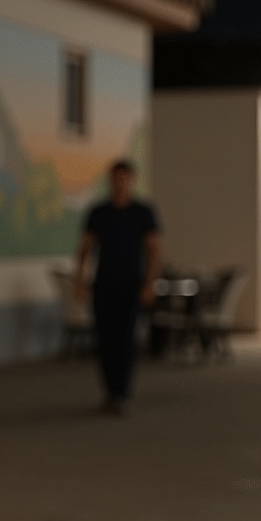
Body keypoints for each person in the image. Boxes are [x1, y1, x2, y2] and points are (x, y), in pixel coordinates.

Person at [74, 159, 160, 416]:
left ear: (131, 181)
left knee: (126, 339)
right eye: (115, 179)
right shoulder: (99, 213)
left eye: (124, 178)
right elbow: (85, 249)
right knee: (105, 339)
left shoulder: (142, 213)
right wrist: (80, 280)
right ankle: (110, 392)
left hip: (131, 285)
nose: (120, 183)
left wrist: (149, 283)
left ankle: (122, 392)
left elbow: (154, 251)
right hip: (104, 285)